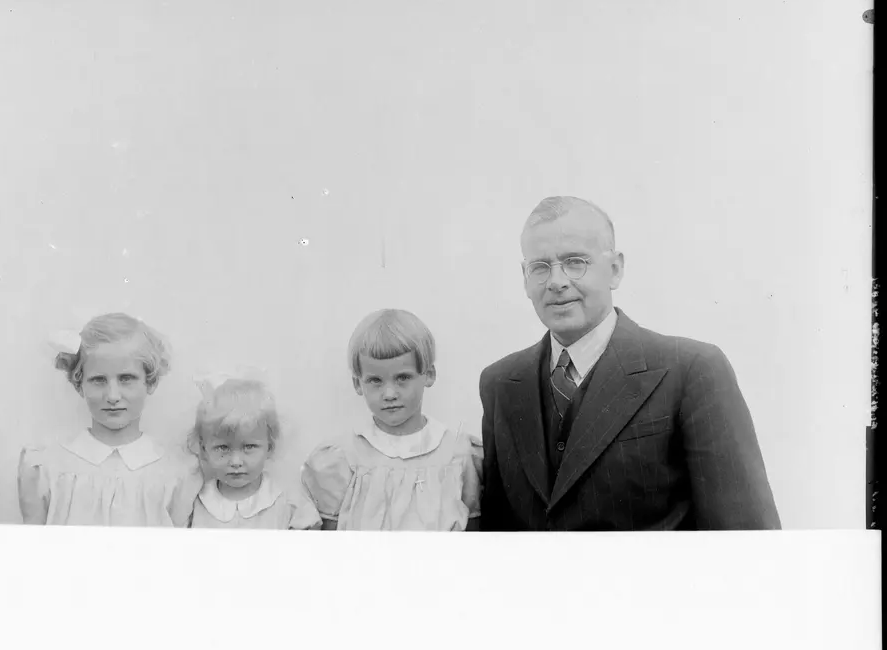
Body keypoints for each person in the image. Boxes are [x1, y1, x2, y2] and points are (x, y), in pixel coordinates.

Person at [478, 196, 781, 531]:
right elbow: (497, 539)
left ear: (615, 269)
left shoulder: (692, 370)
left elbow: (746, 538)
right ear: (524, 277)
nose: (557, 281)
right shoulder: (500, 384)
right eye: (539, 267)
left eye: (575, 262)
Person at [302, 309, 483, 531]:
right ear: (358, 384)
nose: (389, 393)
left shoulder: (457, 453)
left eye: (402, 378)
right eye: (375, 380)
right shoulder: (343, 458)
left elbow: (475, 533)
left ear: (428, 374)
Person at [17, 312, 199, 526]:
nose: (112, 396)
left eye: (126, 379)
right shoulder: (46, 467)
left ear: (149, 382)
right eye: (98, 380)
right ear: (79, 384)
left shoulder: (176, 472)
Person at [185, 374, 321, 531]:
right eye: (223, 448)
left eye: (249, 447)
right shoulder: (194, 504)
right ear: (204, 450)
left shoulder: (289, 502)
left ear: (269, 446)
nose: (236, 462)